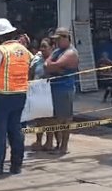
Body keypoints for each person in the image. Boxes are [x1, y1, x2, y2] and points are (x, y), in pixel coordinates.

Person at [0, 18, 32, 177]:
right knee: (15, 130)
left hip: (1, 96)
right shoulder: (23, 50)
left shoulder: (0, 51)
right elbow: (31, 65)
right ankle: (16, 165)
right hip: (20, 95)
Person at [44, 27, 79, 155]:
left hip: (65, 89)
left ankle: (63, 147)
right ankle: (57, 144)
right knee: (54, 118)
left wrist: (53, 67)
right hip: (54, 88)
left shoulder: (70, 52)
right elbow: (46, 64)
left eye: (59, 39)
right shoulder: (58, 51)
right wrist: (52, 67)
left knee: (64, 119)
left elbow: (55, 65)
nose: (57, 42)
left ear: (65, 38)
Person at [29, 37, 54, 152]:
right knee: (38, 119)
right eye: (41, 46)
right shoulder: (37, 60)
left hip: (49, 93)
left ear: (51, 47)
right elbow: (31, 73)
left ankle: (49, 142)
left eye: (45, 46)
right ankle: (38, 141)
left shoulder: (54, 61)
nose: (42, 49)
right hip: (36, 92)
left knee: (49, 119)